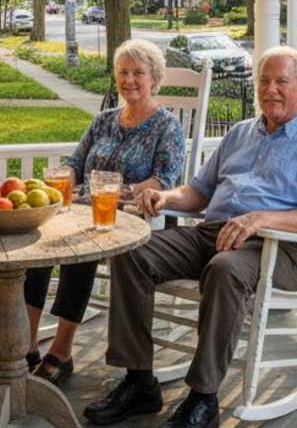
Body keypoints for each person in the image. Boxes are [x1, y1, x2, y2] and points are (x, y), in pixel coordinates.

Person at [83, 46, 297, 428]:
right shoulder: (239, 133)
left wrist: (260, 218)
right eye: (263, 81)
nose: (270, 89)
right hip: (214, 234)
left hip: (278, 250)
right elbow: (199, 192)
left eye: (281, 82)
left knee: (225, 270)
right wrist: (166, 199)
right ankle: (139, 382)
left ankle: (203, 399)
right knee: (132, 250)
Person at [22, 38, 185, 385]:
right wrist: (58, 178)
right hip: (81, 211)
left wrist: (117, 192)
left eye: (138, 73)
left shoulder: (166, 126)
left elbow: (162, 182)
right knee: (37, 242)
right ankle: (29, 343)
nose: (129, 80)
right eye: (123, 72)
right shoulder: (104, 120)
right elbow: (75, 163)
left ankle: (61, 352)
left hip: (128, 217)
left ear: (155, 78)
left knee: (82, 248)